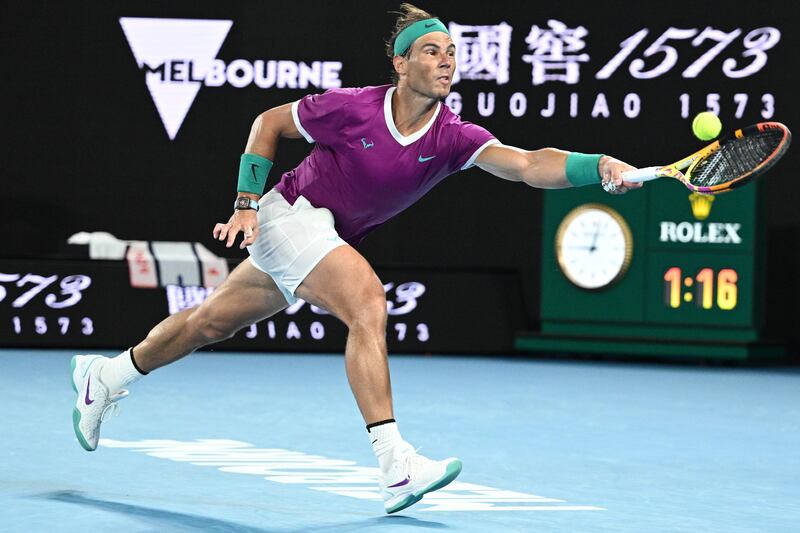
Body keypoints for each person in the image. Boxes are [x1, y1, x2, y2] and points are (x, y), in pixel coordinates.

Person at [70, 3, 642, 514]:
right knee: (367, 302)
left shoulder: (453, 137)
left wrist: (599, 167)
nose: (446, 62)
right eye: (431, 51)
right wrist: (245, 203)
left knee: (207, 323)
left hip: (320, 238)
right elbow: (267, 122)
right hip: (291, 215)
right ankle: (395, 464)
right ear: (400, 63)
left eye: (452, 53)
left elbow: (526, 163)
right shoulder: (353, 109)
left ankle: (106, 375)